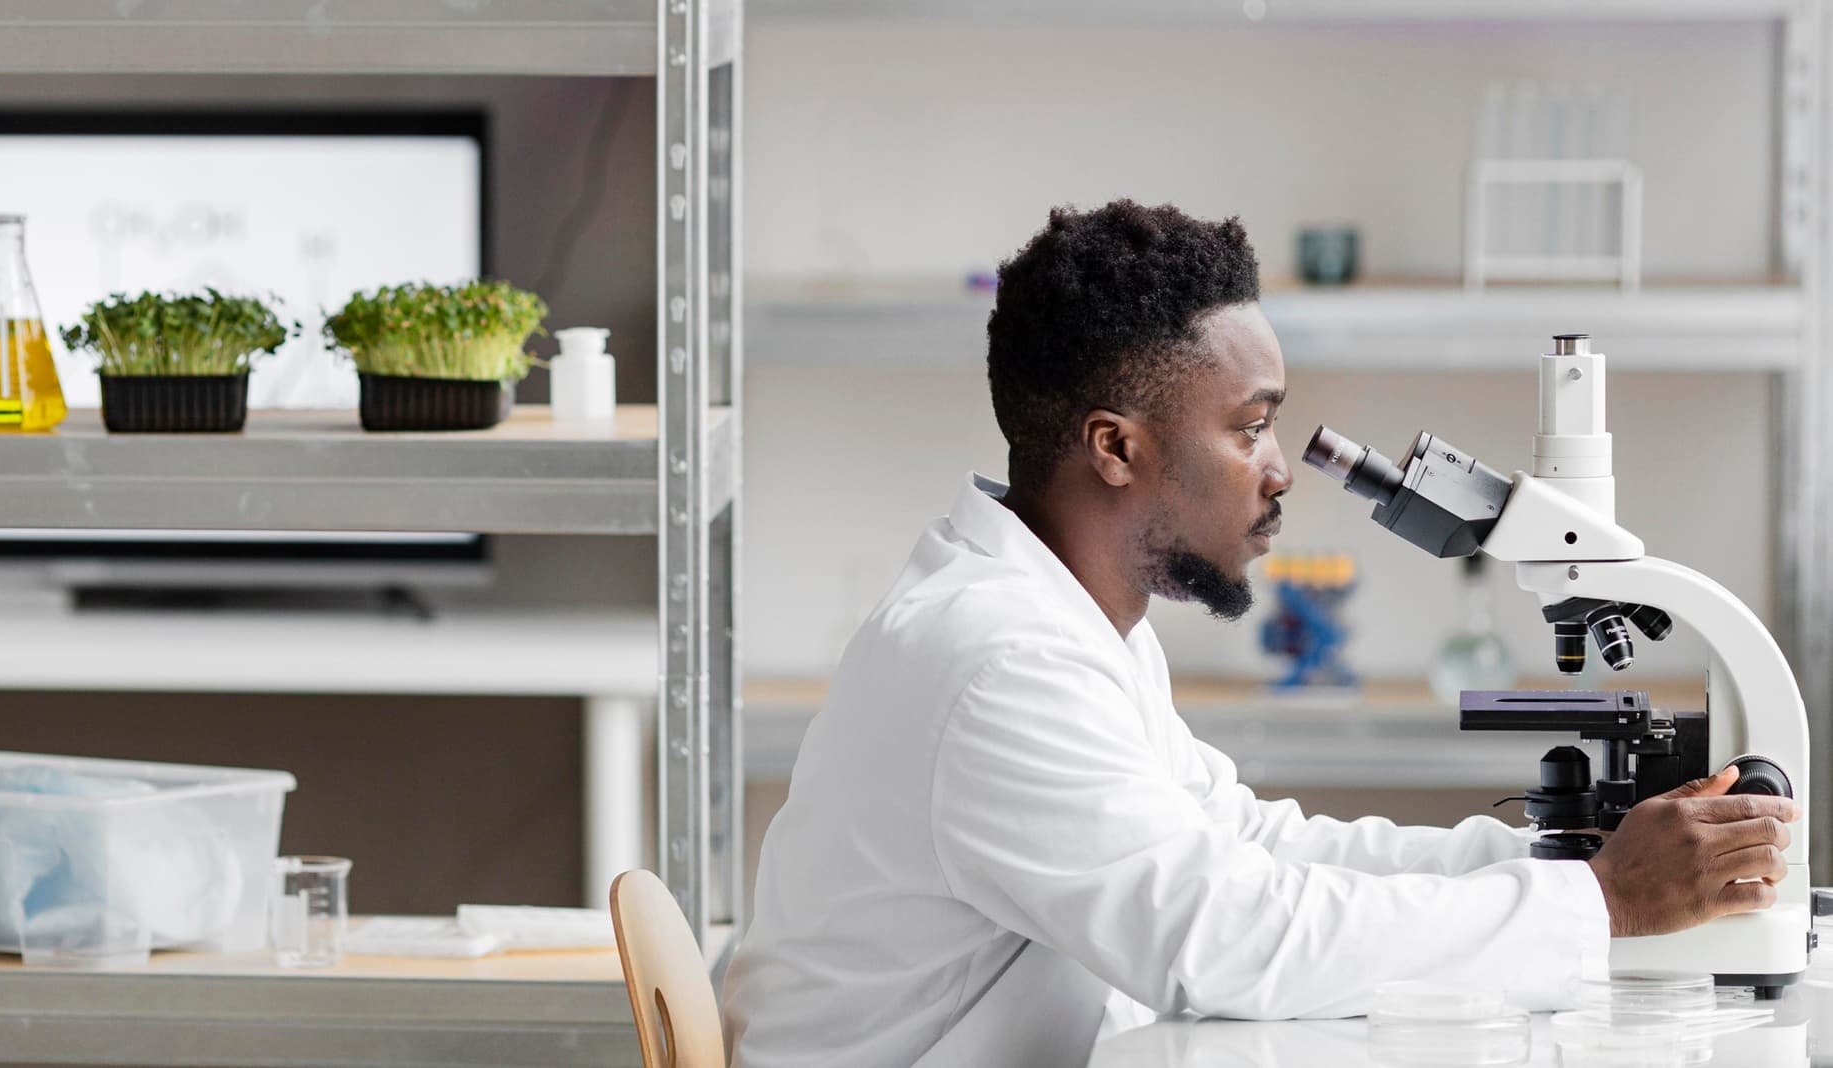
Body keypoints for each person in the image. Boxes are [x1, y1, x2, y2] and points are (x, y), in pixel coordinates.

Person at [720, 200, 1797, 1068]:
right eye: (1249, 427)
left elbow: (1248, 848)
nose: (1278, 469)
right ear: (1114, 448)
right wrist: (1600, 903)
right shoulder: (1000, 662)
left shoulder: (1062, 618)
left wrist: (1550, 857)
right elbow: (1228, 940)